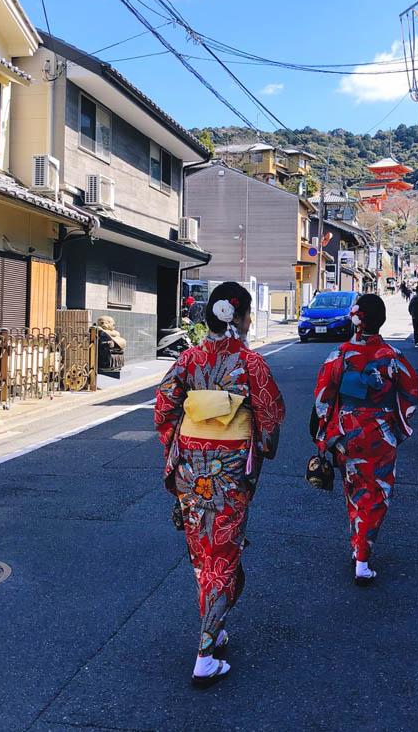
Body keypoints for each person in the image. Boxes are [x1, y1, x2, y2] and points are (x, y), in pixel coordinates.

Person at [155, 282, 286, 687]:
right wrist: (258, 450)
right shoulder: (250, 363)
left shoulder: (188, 359)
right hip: (229, 474)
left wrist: (182, 448)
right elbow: (269, 417)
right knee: (222, 557)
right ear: (242, 318)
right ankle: (205, 656)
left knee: (207, 556)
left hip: (193, 473)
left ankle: (218, 626)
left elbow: (164, 407)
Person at [313, 294, 418, 584]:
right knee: (377, 492)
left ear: (356, 318)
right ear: (381, 320)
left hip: (347, 431)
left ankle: (357, 545)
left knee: (355, 488)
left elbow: (322, 398)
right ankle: (362, 559)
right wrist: (397, 427)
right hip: (380, 431)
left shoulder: (340, 354)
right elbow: (410, 394)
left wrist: (329, 429)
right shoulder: (392, 358)